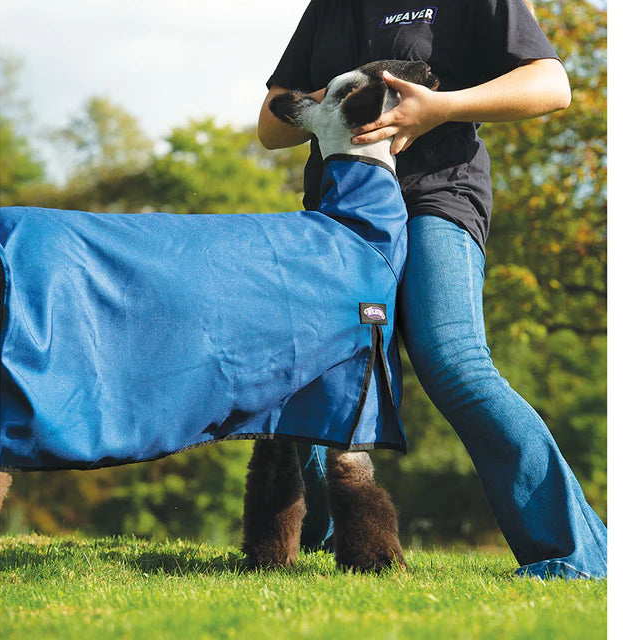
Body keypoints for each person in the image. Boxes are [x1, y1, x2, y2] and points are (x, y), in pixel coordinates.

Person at [257, 0, 607, 579]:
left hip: (433, 196)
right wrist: (331, 104)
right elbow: (271, 125)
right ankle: (320, 544)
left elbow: (551, 85)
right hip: (339, 210)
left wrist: (441, 109)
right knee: (324, 365)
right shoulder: (331, 8)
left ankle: (578, 553)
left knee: (454, 362)